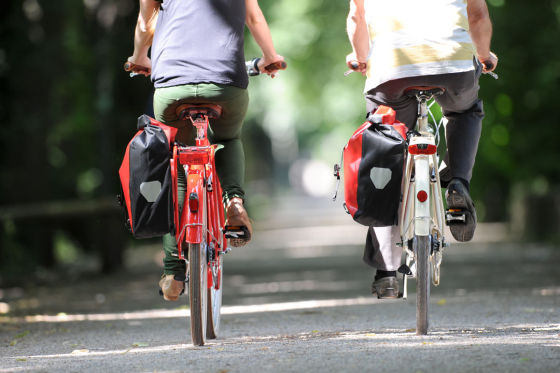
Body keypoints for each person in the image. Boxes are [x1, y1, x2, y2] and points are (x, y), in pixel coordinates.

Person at [127, 0, 285, 301]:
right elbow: (253, 17)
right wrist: (270, 57)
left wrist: (139, 57)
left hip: (172, 85)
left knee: (177, 159)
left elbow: (146, 21)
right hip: (225, 81)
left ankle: (173, 271)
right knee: (229, 138)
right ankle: (234, 201)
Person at [346, 0, 498, 298]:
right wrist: (483, 55)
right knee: (465, 111)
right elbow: (478, 15)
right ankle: (457, 182)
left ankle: (387, 271)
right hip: (453, 65)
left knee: (385, 151)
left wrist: (361, 58)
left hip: (391, 69)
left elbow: (357, 16)